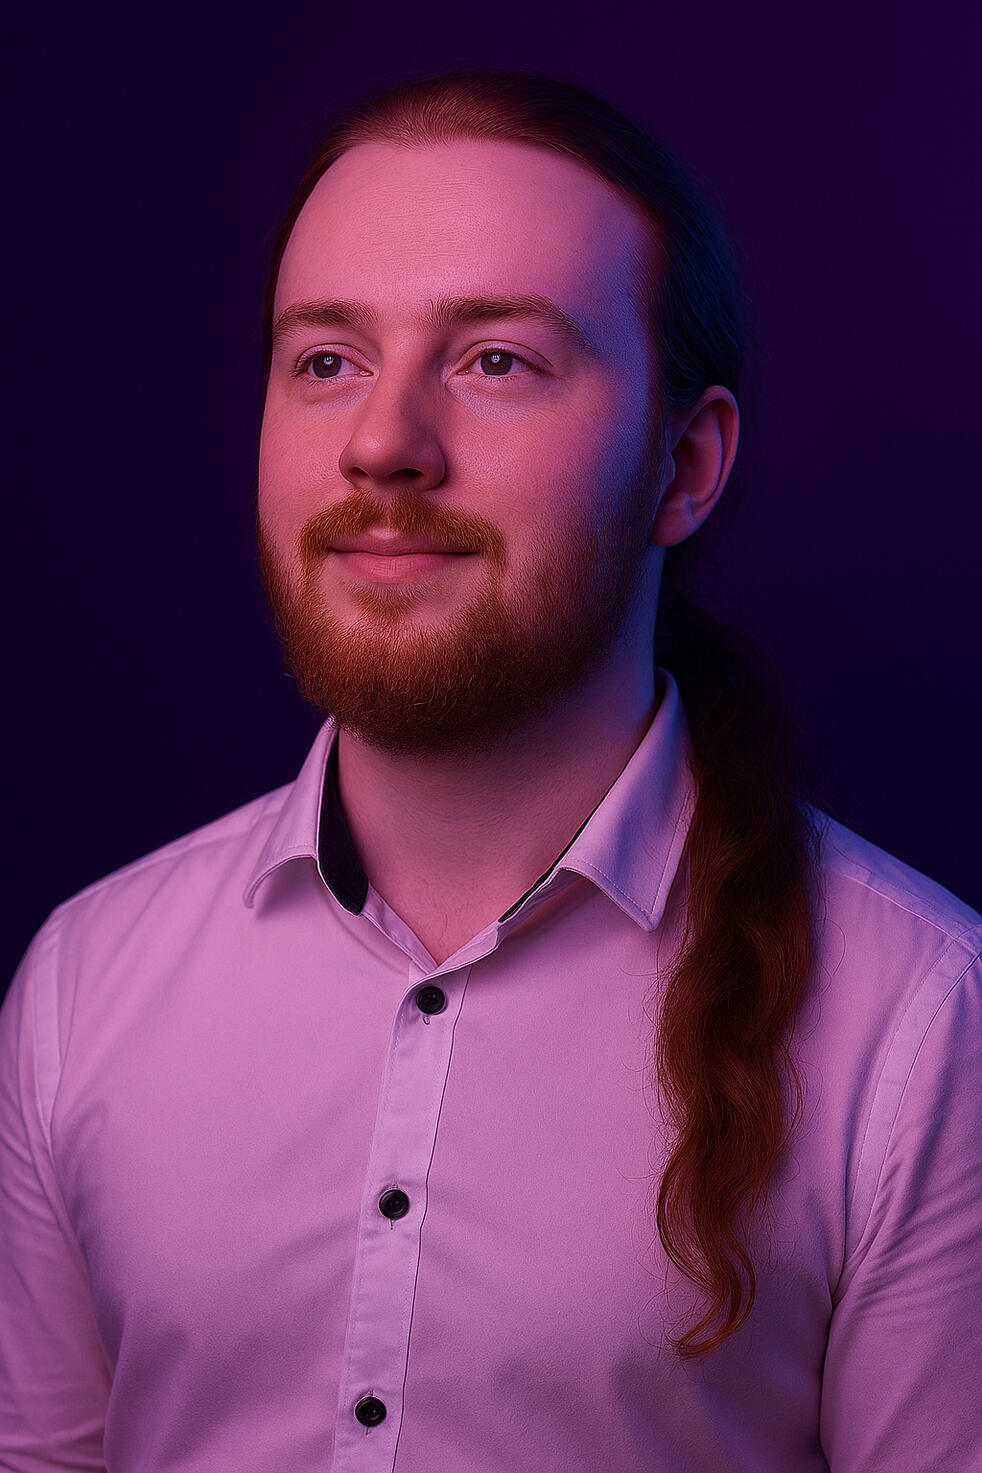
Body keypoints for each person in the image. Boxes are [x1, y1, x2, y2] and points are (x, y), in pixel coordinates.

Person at [1, 65, 979, 1473]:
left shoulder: (921, 1028)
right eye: (327, 361)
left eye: (496, 361)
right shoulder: (81, 988)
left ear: (684, 465)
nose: (383, 444)